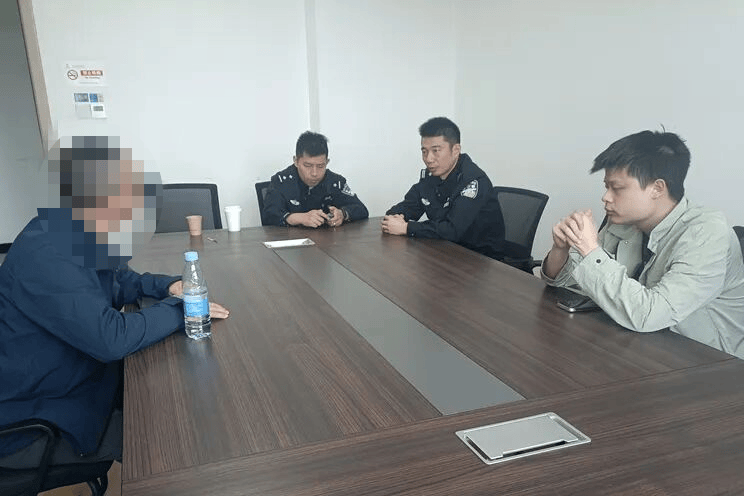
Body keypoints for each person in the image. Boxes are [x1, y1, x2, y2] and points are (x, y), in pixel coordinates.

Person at [0, 136, 229, 468]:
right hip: (38, 418)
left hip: (77, 381)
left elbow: (121, 281)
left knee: (177, 390)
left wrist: (168, 286)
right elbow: (111, 338)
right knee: (171, 436)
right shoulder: (47, 252)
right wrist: (181, 310)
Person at [542, 130, 744, 358]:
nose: (605, 197)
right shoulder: (625, 221)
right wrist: (561, 249)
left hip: (710, 362)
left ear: (657, 188)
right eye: (606, 186)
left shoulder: (707, 232)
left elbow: (649, 315)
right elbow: (574, 284)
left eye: (617, 188)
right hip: (642, 346)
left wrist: (589, 250)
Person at [381, 117, 505, 260]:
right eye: (424, 151)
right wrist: (394, 219)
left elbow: (452, 230)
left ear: (456, 150)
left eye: (436, 151)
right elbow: (406, 208)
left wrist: (406, 228)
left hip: (482, 260)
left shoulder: (473, 182)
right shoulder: (431, 176)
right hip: (446, 251)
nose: (428, 159)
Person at [262, 131, 368, 227]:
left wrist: (343, 214)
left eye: (321, 166)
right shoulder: (281, 181)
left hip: (327, 240)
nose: (314, 173)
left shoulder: (336, 182)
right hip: (292, 240)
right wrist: (299, 218)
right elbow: (268, 216)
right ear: (296, 161)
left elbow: (362, 210)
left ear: (327, 162)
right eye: (307, 166)